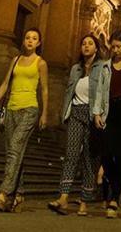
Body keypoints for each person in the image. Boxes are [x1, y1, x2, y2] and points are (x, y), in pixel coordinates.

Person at [0, 28, 49, 212]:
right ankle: (20, 193)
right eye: (27, 38)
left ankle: (3, 194)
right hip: (11, 109)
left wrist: (45, 113)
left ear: (39, 43)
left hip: (29, 109)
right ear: (24, 41)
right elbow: (6, 83)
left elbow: (44, 89)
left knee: (15, 148)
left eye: (34, 39)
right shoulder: (15, 60)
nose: (30, 41)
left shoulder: (41, 63)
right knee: (14, 152)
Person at [49, 33, 110, 216]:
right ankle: (64, 198)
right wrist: (64, 113)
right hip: (76, 112)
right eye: (83, 43)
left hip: (93, 115)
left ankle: (84, 201)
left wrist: (101, 114)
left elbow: (103, 92)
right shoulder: (76, 69)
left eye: (90, 43)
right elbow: (69, 92)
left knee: (89, 159)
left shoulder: (102, 68)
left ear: (96, 48)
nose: (86, 46)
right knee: (71, 154)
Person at [99, 30, 121, 219]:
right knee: (105, 154)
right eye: (112, 46)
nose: (115, 50)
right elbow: (100, 90)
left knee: (120, 156)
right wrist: (97, 111)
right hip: (108, 110)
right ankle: (114, 188)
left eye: (118, 46)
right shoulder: (106, 66)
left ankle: (113, 197)